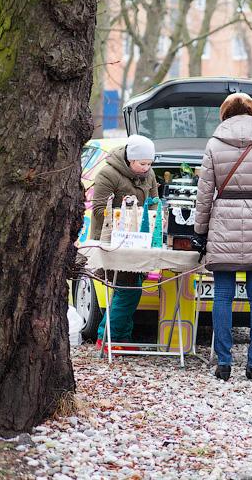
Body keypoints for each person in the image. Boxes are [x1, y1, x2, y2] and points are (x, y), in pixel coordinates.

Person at [194, 93, 252, 382]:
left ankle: (224, 363)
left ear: (225, 115)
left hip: (223, 225)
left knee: (223, 295)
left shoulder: (213, 145)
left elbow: (204, 194)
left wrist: (200, 230)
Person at [91, 134, 159, 352]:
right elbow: (99, 210)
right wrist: (128, 217)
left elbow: (154, 203)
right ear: (130, 159)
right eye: (142, 163)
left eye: (150, 163)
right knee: (128, 290)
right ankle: (107, 337)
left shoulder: (149, 174)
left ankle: (121, 339)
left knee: (129, 288)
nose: (146, 168)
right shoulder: (108, 173)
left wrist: (154, 217)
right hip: (113, 240)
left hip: (140, 241)